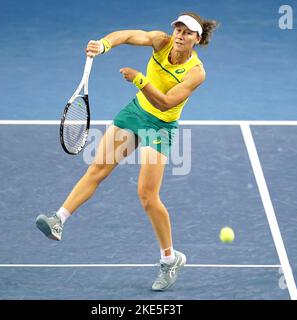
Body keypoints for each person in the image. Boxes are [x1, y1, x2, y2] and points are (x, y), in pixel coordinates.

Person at [36, 12, 219, 291]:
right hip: (135, 113)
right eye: (178, 30)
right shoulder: (161, 41)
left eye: (187, 32)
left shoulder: (196, 73)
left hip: (160, 127)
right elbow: (128, 35)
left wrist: (139, 80)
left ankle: (170, 259)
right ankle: (58, 219)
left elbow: (167, 103)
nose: (180, 35)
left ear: (198, 38)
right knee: (97, 168)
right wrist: (103, 44)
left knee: (147, 196)